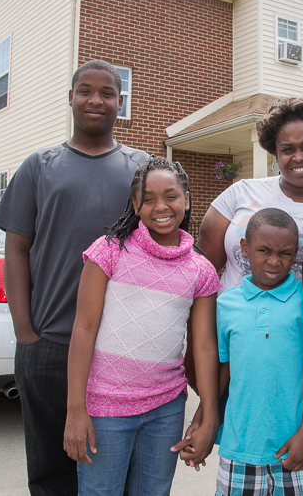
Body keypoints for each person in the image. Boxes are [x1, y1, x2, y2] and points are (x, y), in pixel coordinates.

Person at [0, 60, 149, 495]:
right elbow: (17, 251)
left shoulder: (141, 169)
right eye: (85, 90)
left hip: (122, 348)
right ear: (71, 98)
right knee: (50, 471)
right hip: (51, 344)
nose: (95, 100)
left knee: (115, 472)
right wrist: (26, 333)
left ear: (121, 102)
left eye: (106, 93)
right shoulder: (39, 167)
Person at [63, 157, 221, 495]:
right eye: (148, 198)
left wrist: (210, 414)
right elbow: (83, 329)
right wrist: (75, 409)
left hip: (166, 408)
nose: (160, 206)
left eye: (171, 196)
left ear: (187, 199)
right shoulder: (108, 252)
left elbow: (205, 346)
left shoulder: (201, 270)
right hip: (105, 408)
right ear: (134, 204)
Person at [213, 208, 303, 496]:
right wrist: (205, 419)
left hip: (293, 449)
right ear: (245, 248)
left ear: (295, 253)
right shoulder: (226, 305)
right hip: (239, 450)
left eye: (285, 253)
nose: (274, 261)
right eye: (264, 251)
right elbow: (223, 371)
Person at [198, 97, 303, 293]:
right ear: (275, 153)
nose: (298, 157)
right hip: (232, 322)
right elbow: (202, 277)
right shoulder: (240, 194)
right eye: (287, 149)